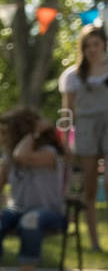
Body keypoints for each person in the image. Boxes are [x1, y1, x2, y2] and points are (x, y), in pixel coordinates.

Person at [0, 107, 68, 271]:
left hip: (49, 213)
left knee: (31, 220)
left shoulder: (48, 153)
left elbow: (22, 156)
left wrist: (35, 132)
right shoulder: (9, 157)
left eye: (5, 133)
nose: (0, 137)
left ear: (20, 132)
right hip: (18, 211)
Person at [58, 23, 108, 251]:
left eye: (96, 44)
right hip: (86, 128)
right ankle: (94, 241)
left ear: (103, 45)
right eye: (87, 45)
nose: (92, 49)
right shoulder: (73, 76)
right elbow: (67, 112)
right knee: (89, 189)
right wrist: (65, 141)